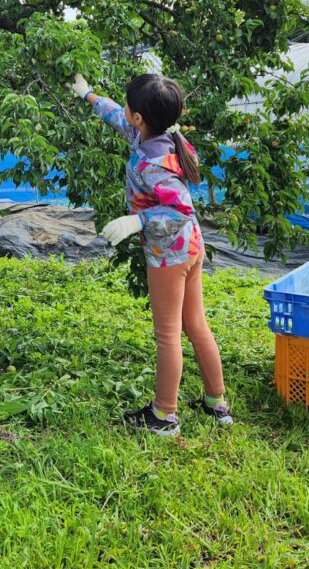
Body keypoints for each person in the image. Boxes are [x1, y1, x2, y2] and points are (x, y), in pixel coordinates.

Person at [69, 72, 233, 436]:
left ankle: (163, 416)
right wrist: (89, 95)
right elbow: (117, 116)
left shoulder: (152, 164)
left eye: (130, 105)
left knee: (168, 333)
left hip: (169, 254)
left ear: (140, 117)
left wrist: (137, 221)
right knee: (194, 323)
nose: (124, 109)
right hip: (190, 247)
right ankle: (215, 402)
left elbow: (180, 211)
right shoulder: (157, 137)